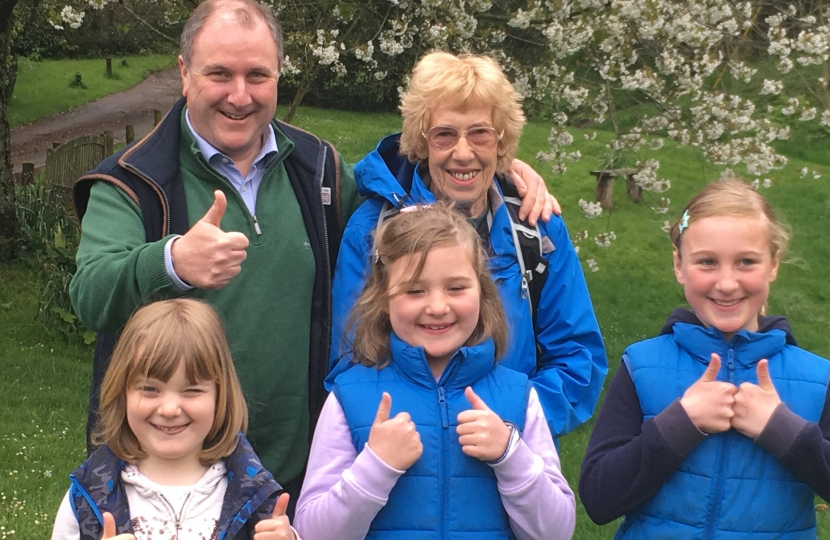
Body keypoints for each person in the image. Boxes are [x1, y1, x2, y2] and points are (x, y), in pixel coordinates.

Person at [68, 0, 557, 502]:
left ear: (278, 76)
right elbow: (89, 293)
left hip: (293, 473)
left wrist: (501, 171)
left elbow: (398, 206)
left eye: (257, 75)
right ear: (185, 73)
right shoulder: (132, 179)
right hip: (168, 466)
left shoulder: (317, 169)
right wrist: (171, 262)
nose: (240, 95)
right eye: (220, 74)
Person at [328, 51, 606, 440]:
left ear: (501, 141)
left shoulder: (536, 230)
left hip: (510, 457)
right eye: (444, 134)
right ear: (421, 143)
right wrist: (432, 431)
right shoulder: (373, 231)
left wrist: (510, 422)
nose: (463, 152)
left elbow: (580, 360)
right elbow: (349, 363)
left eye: (480, 133)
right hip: (406, 457)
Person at [294, 204, 576, 539]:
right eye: (415, 290)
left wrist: (510, 455)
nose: (438, 307)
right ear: (384, 297)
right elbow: (311, 533)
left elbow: (556, 532)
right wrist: (374, 468)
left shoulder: (519, 396)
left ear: (482, 292)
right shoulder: (349, 395)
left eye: (456, 288)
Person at [579, 179, 830, 538]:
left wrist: (783, 430)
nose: (727, 283)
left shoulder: (817, 379)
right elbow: (598, 499)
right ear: (679, 265)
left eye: (746, 262)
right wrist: (681, 423)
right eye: (707, 262)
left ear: (773, 264)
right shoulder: (642, 366)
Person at [50, 298, 296, 540]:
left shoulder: (256, 498)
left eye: (192, 390)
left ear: (220, 396)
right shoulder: (88, 494)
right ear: (122, 392)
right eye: (149, 389)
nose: (169, 409)